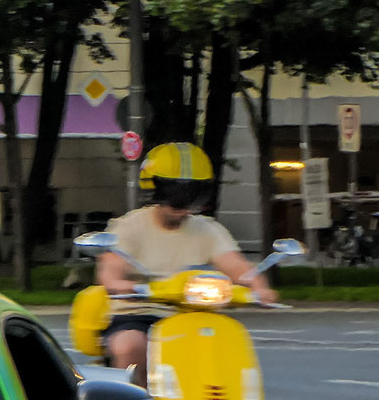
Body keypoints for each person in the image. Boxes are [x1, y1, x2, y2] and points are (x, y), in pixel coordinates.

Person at [96, 143, 277, 378]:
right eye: (176, 197)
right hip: (139, 314)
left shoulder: (208, 229)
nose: (183, 206)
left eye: (192, 197)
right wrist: (123, 286)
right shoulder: (129, 227)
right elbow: (111, 271)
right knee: (130, 346)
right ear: (155, 190)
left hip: (194, 314)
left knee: (229, 343)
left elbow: (236, 265)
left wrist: (259, 287)